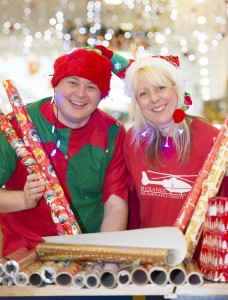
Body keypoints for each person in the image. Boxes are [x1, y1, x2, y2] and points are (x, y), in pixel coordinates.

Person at [0, 46, 129, 257]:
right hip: (26, 253)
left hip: (88, 254)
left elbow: (115, 205)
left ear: (102, 95)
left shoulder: (113, 133)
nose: (80, 93)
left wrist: (107, 259)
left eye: (91, 86)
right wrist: (23, 199)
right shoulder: (16, 125)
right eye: (72, 82)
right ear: (56, 84)